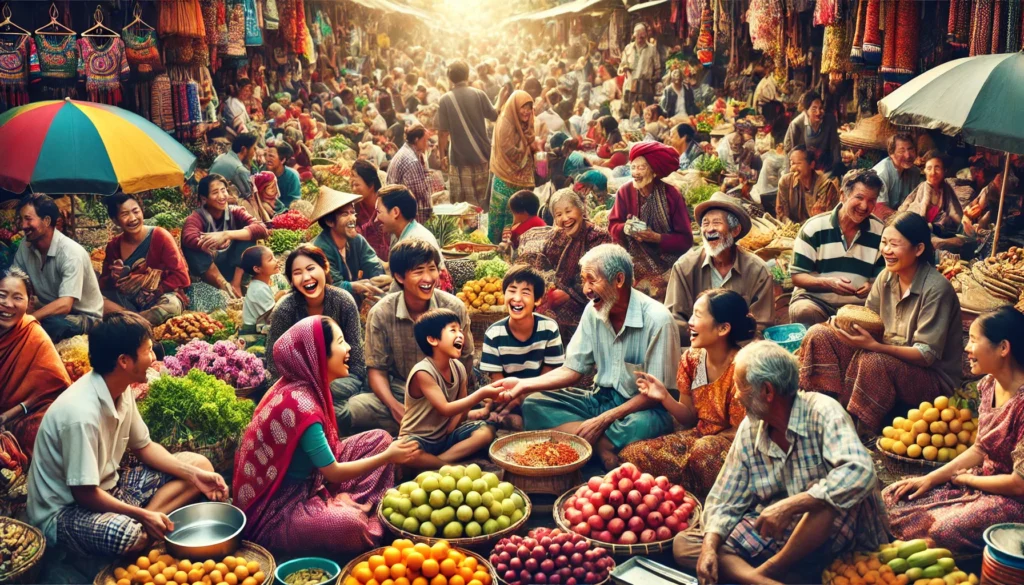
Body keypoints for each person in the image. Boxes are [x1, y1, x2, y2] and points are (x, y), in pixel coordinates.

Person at [674, 341, 887, 585]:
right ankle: (764, 580)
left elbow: (860, 471)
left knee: (825, 502)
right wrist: (710, 546)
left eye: (740, 387)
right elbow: (725, 497)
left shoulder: (823, 411)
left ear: (767, 391)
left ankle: (771, 572)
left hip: (831, 532)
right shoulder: (750, 428)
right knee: (687, 545)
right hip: (780, 532)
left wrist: (791, 505)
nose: (735, 395)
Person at [26, 312, 228, 555]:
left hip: (112, 488)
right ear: (124, 361)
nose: (154, 358)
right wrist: (141, 514)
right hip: (65, 511)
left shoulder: (121, 390)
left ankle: (150, 524)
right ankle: (144, 526)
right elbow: (84, 494)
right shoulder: (80, 413)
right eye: (148, 350)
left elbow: (144, 447)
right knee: (130, 536)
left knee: (201, 465)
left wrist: (194, 475)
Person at [234, 316, 419, 554]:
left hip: (312, 480)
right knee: (350, 526)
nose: (349, 348)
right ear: (320, 354)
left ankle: (343, 499)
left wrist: (387, 452)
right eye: (341, 342)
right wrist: (389, 457)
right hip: (279, 511)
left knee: (381, 440)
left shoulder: (303, 387)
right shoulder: (302, 405)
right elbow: (332, 471)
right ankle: (347, 509)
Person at [492, 245, 679, 469]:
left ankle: (583, 437)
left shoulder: (658, 320)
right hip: (598, 400)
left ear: (619, 279)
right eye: (583, 281)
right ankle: (600, 444)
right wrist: (523, 385)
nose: (586, 290)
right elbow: (573, 369)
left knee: (646, 423)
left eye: (592, 280)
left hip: (640, 409)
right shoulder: (593, 310)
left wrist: (603, 420)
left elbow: (656, 396)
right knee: (534, 403)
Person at [799, 211, 963, 432]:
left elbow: (925, 355)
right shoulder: (885, 277)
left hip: (932, 380)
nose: (886, 250)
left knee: (873, 360)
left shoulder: (936, 289)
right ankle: (822, 411)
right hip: (885, 355)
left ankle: (860, 429)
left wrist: (875, 346)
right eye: (884, 242)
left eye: (894, 244)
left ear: (919, 249)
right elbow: (868, 322)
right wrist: (839, 325)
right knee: (819, 334)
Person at [882, 307, 1024, 555]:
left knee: (943, 529)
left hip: (1013, 501)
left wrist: (967, 479)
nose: (967, 349)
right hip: (979, 482)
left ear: (1003, 348)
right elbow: (980, 448)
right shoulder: (989, 385)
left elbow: (1019, 485)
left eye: (973, 340)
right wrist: (930, 478)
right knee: (891, 496)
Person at [619, 289, 753, 499]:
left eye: (698, 315)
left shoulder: (742, 367)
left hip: (729, 448)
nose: (690, 322)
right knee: (632, 455)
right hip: (697, 437)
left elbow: (740, 433)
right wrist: (664, 396)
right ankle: (687, 487)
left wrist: (701, 447)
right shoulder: (691, 359)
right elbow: (689, 417)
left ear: (723, 328)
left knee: (703, 453)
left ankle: (707, 495)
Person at [359, 240, 474, 436]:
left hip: (445, 392)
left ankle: (431, 432)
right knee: (356, 409)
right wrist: (396, 409)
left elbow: (465, 359)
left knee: (476, 429)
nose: (428, 278)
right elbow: (377, 370)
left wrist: (454, 411)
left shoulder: (453, 307)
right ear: (399, 277)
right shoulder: (381, 312)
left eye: (432, 269)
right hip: (402, 391)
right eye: (418, 271)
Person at [266, 245, 368, 435]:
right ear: (291, 280)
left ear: (325, 268)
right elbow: (273, 365)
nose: (306, 278)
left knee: (339, 410)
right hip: (299, 385)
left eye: (311, 268)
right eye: (297, 273)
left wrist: (328, 386)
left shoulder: (343, 302)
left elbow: (357, 364)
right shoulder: (286, 309)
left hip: (341, 380)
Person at [666, 193, 774, 343]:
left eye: (716, 223)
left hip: (741, 350)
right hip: (697, 347)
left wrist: (727, 344)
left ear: (735, 231)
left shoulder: (757, 270)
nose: (709, 229)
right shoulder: (684, 267)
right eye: (705, 223)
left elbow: (761, 325)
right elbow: (674, 319)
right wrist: (708, 337)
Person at [400, 309, 500, 468]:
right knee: (408, 454)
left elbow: (462, 408)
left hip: (444, 437)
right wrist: (481, 394)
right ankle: (446, 465)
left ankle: (437, 463)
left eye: (461, 330)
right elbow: (446, 409)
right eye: (453, 330)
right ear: (433, 339)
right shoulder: (423, 372)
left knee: (486, 432)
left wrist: (450, 431)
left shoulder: (459, 368)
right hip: (418, 439)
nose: (460, 334)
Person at [788, 170, 885, 327]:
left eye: (872, 200)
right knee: (803, 311)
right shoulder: (814, 227)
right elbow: (797, 276)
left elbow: (885, 277)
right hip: (817, 302)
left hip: (859, 308)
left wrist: (873, 287)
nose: (864, 206)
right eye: (859, 197)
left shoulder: (880, 232)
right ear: (843, 195)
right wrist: (828, 283)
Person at [478, 266, 565, 429]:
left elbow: (549, 376)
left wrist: (523, 396)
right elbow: (498, 380)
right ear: (504, 295)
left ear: (537, 300)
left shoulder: (549, 328)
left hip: (538, 392)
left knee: (544, 403)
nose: (517, 298)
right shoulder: (493, 334)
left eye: (525, 293)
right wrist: (512, 398)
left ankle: (511, 418)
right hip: (507, 395)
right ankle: (508, 417)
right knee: (492, 399)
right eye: (511, 291)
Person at [608, 142, 694, 302]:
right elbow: (613, 226)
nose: (635, 173)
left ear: (654, 171)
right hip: (632, 257)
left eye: (641, 168)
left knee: (659, 289)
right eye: (633, 167)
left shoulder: (671, 195)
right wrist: (626, 229)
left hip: (667, 260)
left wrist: (656, 238)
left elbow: (686, 240)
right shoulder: (625, 192)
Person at [12, 194, 102, 342]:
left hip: (84, 317)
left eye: (28, 219)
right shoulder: (25, 245)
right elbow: (15, 281)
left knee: (48, 326)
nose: (23, 225)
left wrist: (30, 319)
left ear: (47, 221)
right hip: (51, 310)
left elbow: (65, 304)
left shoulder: (71, 253)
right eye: (21, 219)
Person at [0, 267, 70, 458]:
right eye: (2, 295)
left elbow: (55, 390)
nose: (8, 304)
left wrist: (7, 416)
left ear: (29, 303)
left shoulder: (33, 334)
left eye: (17, 298)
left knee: (50, 428)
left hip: (25, 414)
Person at [527, 189, 611, 340]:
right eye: (558, 215)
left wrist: (568, 294)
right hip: (557, 295)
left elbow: (600, 278)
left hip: (587, 300)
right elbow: (542, 264)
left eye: (568, 211)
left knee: (552, 320)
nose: (565, 218)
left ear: (581, 210)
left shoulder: (598, 236)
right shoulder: (558, 236)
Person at [100, 193, 189, 326]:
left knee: (171, 306)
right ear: (115, 220)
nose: (133, 218)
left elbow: (182, 277)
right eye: (124, 214)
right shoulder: (114, 246)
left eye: (136, 211)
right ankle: (133, 320)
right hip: (126, 303)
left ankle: (132, 323)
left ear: (142, 211)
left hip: (160, 299)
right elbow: (103, 286)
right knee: (97, 301)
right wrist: (113, 277)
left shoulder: (160, 236)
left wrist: (156, 291)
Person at [181, 174, 269, 299]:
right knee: (193, 250)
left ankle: (236, 284)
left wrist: (227, 234)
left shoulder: (235, 211)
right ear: (204, 198)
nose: (222, 196)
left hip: (233, 268)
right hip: (210, 271)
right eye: (215, 192)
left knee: (247, 235)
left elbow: (261, 229)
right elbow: (188, 237)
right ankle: (224, 286)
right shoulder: (197, 217)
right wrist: (211, 243)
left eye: (224, 191)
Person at [437, 59, 499, 210]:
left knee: (462, 207)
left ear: (450, 78)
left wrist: (442, 156)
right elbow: (495, 115)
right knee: (483, 204)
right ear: (467, 76)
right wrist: (501, 98)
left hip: (459, 160)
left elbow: (442, 133)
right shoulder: (479, 94)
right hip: (482, 156)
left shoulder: (445, 99)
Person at [310, 187, 386, 303]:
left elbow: (373, 265)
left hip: (354, 300)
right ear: (330, 222)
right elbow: (333, 285)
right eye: (345, 214)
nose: (353, 218)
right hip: (332, 303)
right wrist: (353, 286)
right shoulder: (321, 248)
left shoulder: (357, 241)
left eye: (353, 213)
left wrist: (377, 282)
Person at [375, 185, 452, 293]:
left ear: (395, 212)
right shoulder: (402, 234)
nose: (376, 219)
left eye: (379, 212)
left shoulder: (414, 242)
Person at [489, 90, 539, 245]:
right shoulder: (506, 123)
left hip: (521, 179)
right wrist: (530, 147)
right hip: (505, 176)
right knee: (499, 216)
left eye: (529, 107)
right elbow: (509, 151)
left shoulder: (527, 121)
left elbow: (530, 138)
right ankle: (494, 249)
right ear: (514, 107)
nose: (526, 111)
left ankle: (513, 249)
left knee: (516, 217)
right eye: (523, 107)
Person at [898, 150, 964, 241]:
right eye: (929, 168)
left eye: (937, 168)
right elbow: (920, 216)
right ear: (924, 171)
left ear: (944, 171)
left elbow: (954, 212)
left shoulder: (946, 188)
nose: (933, 173)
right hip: (916, 232)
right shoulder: (924, 187)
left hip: (935, 230)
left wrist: (964, 225)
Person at [776, 146, 840, 223]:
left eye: (797, 163)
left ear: (812, 165)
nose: (792, 169)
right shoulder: (785, 182)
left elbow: (828, 220)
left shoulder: (826, 186)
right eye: (791, 163)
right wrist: (792, 227)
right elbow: (781, 213)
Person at [386, 124, 435, 225]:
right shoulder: (411, 160)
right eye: (424, 140)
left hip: (395, 206)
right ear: (417, 140)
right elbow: (419, 193)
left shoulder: (406, 151)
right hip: (403, 213)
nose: (426, 144)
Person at [783, 90, 841, 170]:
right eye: (814, 109)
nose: (818, 112)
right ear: (806, 111)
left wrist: (836, 169)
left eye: (820, 108)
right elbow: (791, 153)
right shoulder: (796, 125)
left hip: (825, 166)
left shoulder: (830, 121)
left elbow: (835, 147)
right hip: (804, 168)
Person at [873, 133, 922, 219]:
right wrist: (907, 220)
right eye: (901, 151)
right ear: (891, 154)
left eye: (911, 149)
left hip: (901, 218)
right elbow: (879, 210)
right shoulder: (881, 173)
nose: (908, 155)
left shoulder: (915, 172)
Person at [350, 160, 390, 261]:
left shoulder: (386, 204)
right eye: (352, 186)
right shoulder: (356, 208)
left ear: (371, 185)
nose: (353, 189)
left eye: (357, 185)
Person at [239, 246, 281, 335]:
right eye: (270, 259)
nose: (276, 260)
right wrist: (281, 296)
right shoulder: (259, 289)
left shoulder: (260, 284)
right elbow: (275, 316)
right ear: (257, 269)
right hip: (253, 334)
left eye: (274, 257)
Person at [619, 23, 659, 109]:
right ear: (634, 35)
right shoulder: (628, 48)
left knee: (645, 111)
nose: (640, 38)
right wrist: (626, 70)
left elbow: (658, 68)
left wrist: (652, 80)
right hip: (630, 84)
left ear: (646, 35)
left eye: (642, 36)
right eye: (638, 36)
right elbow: (622, 65)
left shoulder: (652, 49)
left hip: (645, 85)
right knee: (630, 111)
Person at [209, 133, 258, 201]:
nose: (254, 153)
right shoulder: (239, 169)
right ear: (244, 149)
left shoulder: (222, 156)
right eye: (254, 149)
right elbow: (250, 197)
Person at [266, 141, 302, 213]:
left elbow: (294, 203)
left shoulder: (292, 176)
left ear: (282, 160)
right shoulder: (263, 172)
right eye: (266, 155)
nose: (267, 159)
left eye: (271, 156)